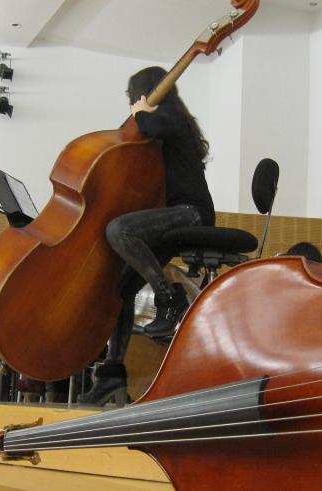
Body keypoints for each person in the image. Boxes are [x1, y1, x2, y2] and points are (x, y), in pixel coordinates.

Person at [78, 66, 215, 406]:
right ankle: (112, 374)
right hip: (177, 216)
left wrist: (140, 111)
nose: (131, 105)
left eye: (133, 98)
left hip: (193, 214)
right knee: (121, 290)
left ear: (146, 93)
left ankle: (169, 297)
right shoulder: (168, 124)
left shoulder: (169, 116)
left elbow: (148, 123)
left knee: (119, 229)